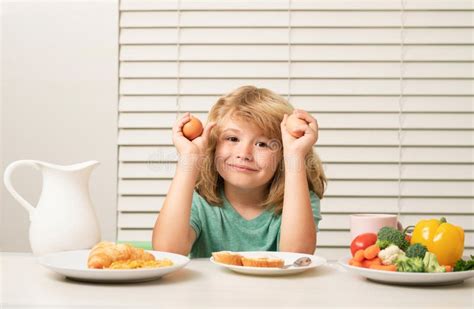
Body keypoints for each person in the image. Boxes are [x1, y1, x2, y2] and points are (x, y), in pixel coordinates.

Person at [152, 85, 326, 258]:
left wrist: (295, 155)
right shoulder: (199, 201)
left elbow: (297, 256)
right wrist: (189, 157)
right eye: (232, 139)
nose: (244, 154)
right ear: (214, 146)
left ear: (282, 155)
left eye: (263, 144)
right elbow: (167, 252)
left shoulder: (300, 200)